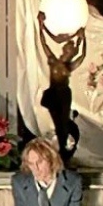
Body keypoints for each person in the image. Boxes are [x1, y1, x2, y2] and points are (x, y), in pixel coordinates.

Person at [37, 12, 87, 167]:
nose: (68, 48)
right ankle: (57, 150)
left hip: (64, 94)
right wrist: (40, 25)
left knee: (63, 123)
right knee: (55, 122)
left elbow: (83, 55)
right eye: (68, 47)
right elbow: (44, 43)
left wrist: (83, 38)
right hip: (53, 93)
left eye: (71, 48)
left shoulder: (69, 66)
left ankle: (63, 152)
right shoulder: (53, 60)